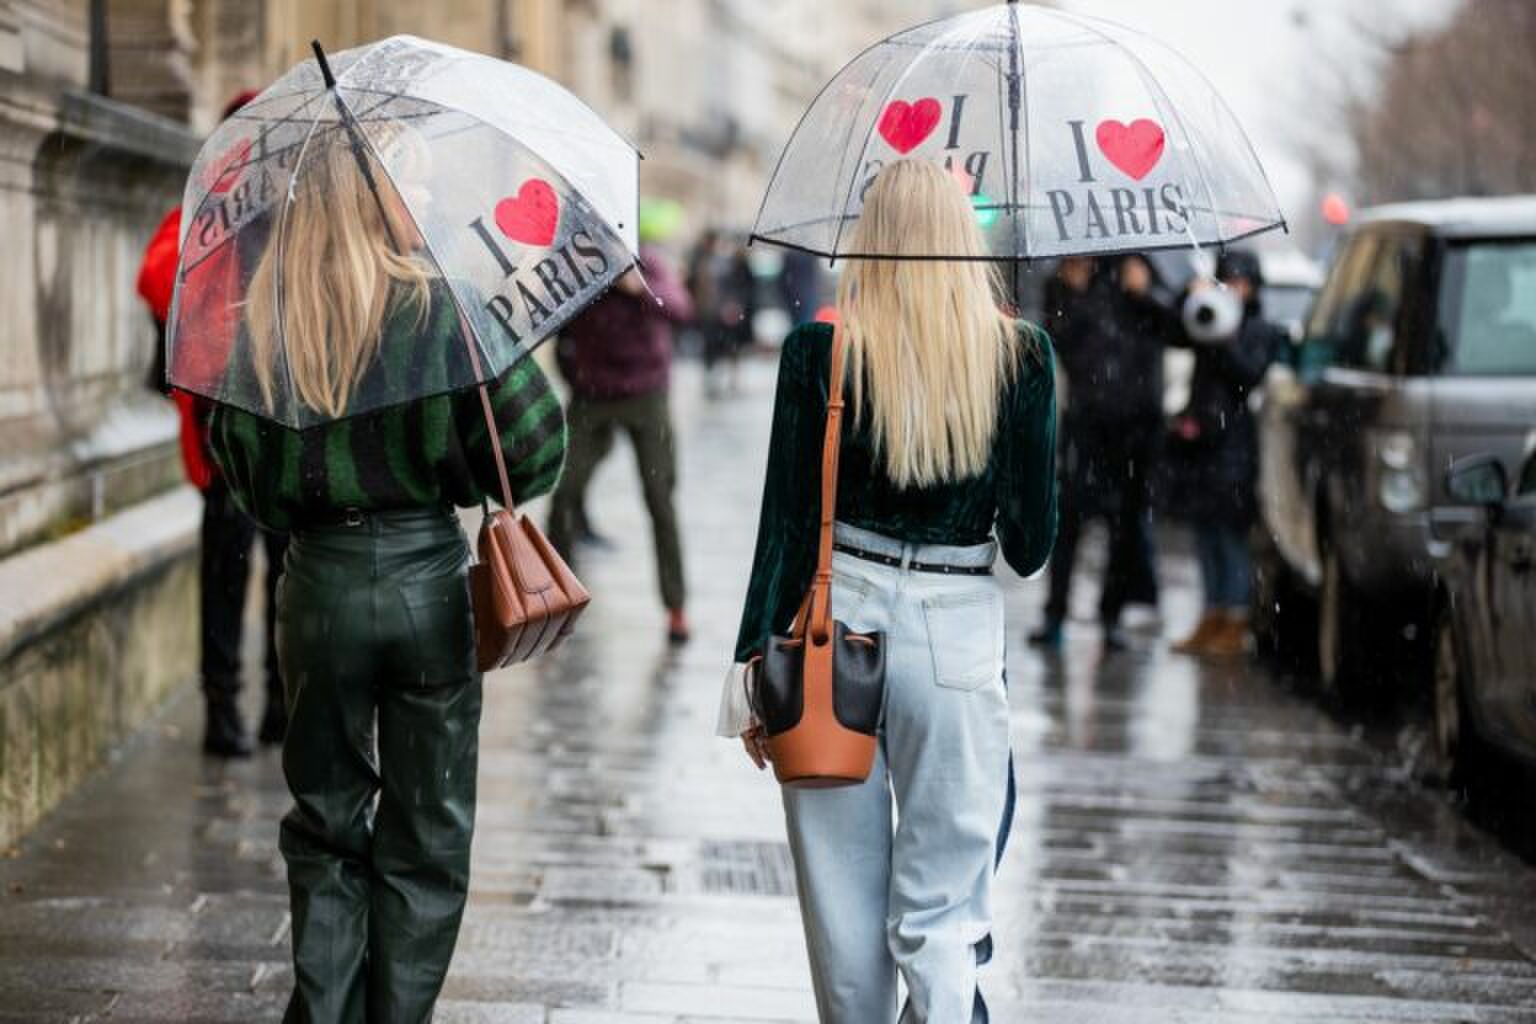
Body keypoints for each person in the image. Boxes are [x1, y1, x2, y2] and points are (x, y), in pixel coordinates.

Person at [207, 138, 566, 1021]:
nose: (427, 195)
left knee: (325, 824)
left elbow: (243, 475)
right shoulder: (448, 311)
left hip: (318, 585)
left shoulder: (263, 322)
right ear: (375, 201)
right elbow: (538, 449)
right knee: (428, 833)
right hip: (425, 587)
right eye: (413, 182)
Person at [717, 159, 1057, 1023]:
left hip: (841, 621)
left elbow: (787, 526)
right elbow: (1029, 545)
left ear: (872, 241)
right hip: (957, 630)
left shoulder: (820, 355)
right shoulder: (1020, 357)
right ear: (963, 241)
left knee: (843, 925)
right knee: (942, 916)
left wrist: (751, 658)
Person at [135, 88, 289, 757]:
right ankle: (220, 709)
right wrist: (225, 209)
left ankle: (284, 703)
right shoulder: (203, 212)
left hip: (292, 435)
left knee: (291, 581)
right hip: (224, 436)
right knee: (224, 583)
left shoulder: (302, 216)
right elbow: (156, 276)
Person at [548, 247, 693, 644]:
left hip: (646, 395)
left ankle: (675, 607)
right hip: (590, 396)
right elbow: (544, 318)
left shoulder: (645, 261)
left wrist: (638, 286)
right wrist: (571, 284)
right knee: (563, 493)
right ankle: (558, 602)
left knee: (660, 498)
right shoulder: (573, 266)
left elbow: (680, 308)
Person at [1030, 254, 1164, 651]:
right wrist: (1075, 292)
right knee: (1069, 523)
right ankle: (1055, 616)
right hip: (1086, 426)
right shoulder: (1067, 278)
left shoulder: (1139, 269)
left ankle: (1111, 617)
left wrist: (1142, 292)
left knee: (1124, 527)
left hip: (1134, 430)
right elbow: (1058, 340)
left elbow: (1169, 327)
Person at [1167, 251, 1286, 657]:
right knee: (1204, 535)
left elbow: (1248, 375)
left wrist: (1226, 332)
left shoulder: (1259, 331)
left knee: (1230, 538)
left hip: (1235, 450)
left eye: (1240, 282)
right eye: (1227, 281)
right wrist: (1189, 297)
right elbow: (1171, 329)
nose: (1233, 289)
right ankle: (1211, 613)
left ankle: (1235, 620)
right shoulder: (1206, 318)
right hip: (1201, 447)